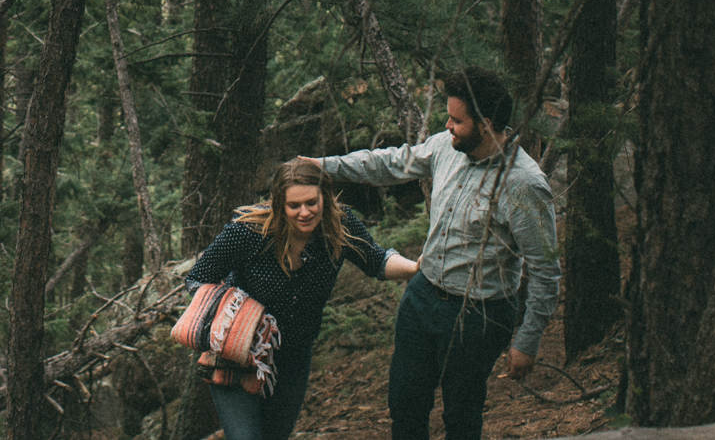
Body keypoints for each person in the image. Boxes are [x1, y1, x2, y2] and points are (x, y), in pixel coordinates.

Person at [306, 67, 560, 440]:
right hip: (424, 295)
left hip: (480, 314)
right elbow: (391, 162)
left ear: (486, 124)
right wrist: (324, 167)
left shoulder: (524, 184)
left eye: (457, 120)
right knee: (405, 404)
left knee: (460, 415)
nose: (447, 125)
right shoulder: (447, 146)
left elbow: (545, 269)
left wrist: (527, 340)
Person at [185, 158, 418, 440]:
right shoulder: (247, 233)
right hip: (238, 352)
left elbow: (377, 261)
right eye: (294, 205)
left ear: (325, 197)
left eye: (311, 202)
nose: (304, 212)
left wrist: (418, 268)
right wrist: (234, 313)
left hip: (293, 356)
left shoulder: (339, 227)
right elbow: (198, 277)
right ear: (279, 204)